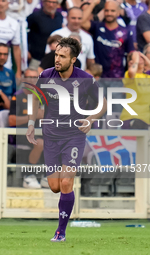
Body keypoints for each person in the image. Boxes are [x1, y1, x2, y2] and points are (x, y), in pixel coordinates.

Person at [26, 37, 107, 242]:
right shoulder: (45, 75)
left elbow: (103, 104)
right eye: (56, 55)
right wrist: (30, 124)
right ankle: (65, 206)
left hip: (74, 136)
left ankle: (60, 232)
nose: (57, 59)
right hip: (51, 136)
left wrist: (90, 119)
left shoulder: (85, 79)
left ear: (73, 60)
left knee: (65, 182)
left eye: (62, 56)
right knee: (54, 186)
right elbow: (34, 99)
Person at [9, 68, 46, 189]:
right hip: (21, 133)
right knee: (40, 143)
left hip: (40, 131)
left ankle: (47, 176)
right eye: (29, 77)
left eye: (35, 77)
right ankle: (29, 175)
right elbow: (12, 120)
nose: (32, 80)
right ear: (24, 79)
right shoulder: (17, 97)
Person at [120, 51, 150, 129]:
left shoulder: (148, 77)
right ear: (131, 62)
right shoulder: (128, 74)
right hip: (130, 117)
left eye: (142, 57)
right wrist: (136, 61)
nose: (140, 59)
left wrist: (149, 62)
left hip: (145, 119)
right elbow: (132, 72)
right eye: (137, 57)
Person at [27, 0, 63, 70]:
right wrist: (26, 51)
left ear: (57, 4)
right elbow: (24, 33)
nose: (51, 5)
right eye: (49, 2)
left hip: (54, 59)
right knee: (34, 79)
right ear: (43, 2)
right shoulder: (34, 16)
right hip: (36, 58)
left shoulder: (60, 17)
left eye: (54, 2)